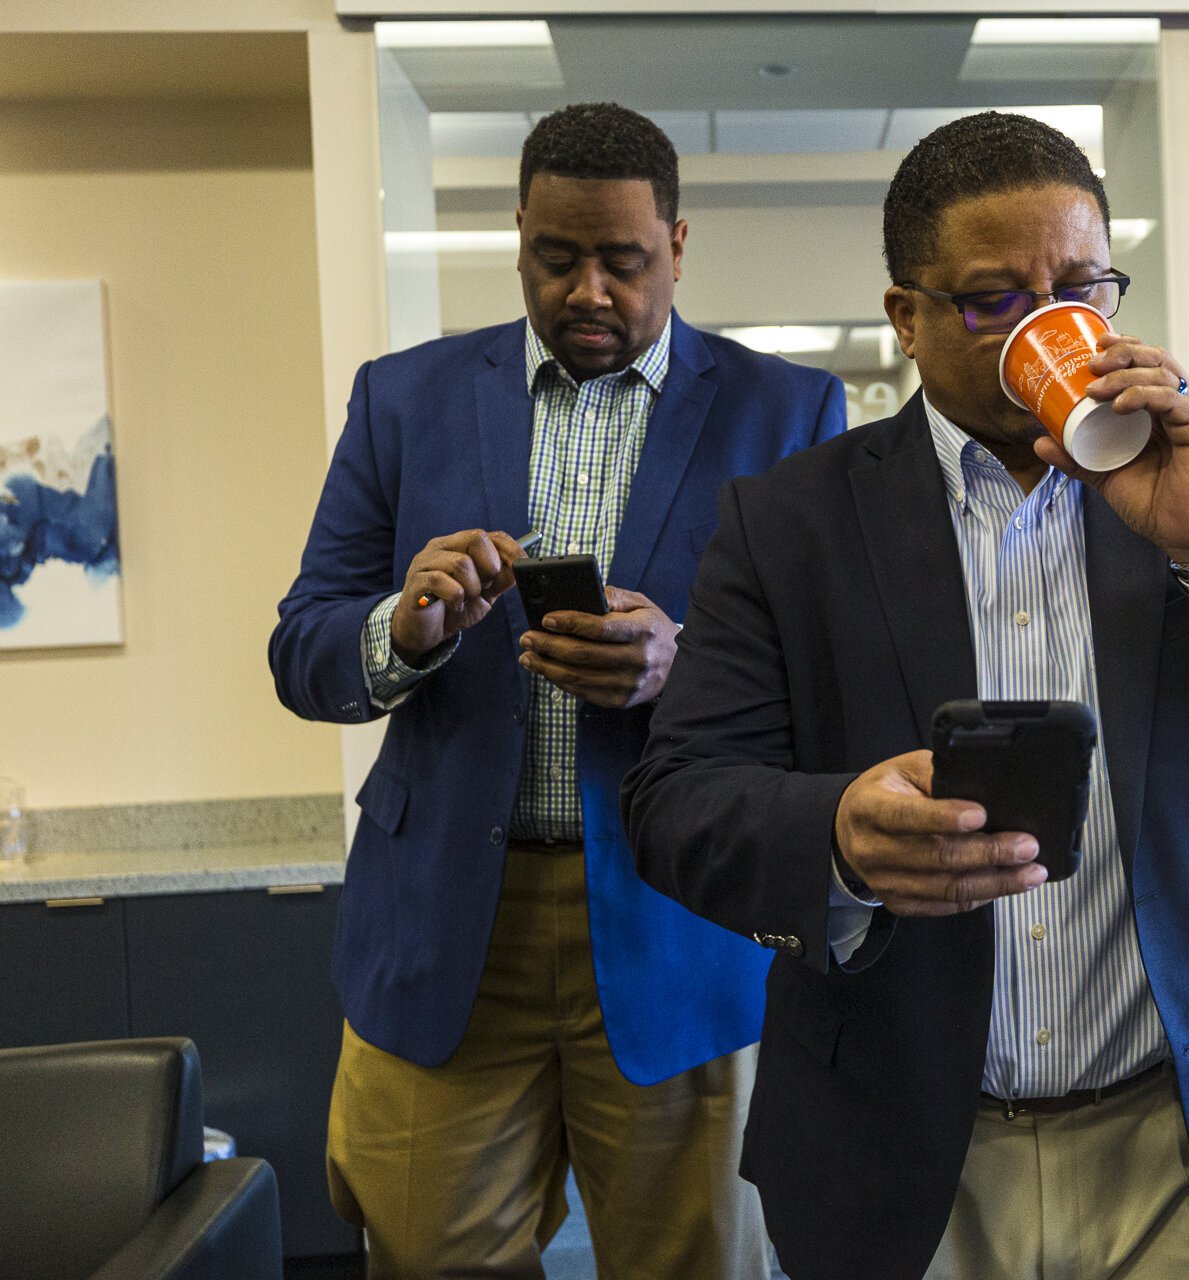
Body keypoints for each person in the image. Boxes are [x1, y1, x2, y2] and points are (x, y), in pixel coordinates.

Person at [621, 111, 1189, 1280]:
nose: (1047, 325)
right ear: (905, 319)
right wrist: (835, 837)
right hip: (906, 1150)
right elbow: (675, 800)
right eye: (990, 299)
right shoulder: (787, 522)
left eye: (1082, 286)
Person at [270, 102, 846, 1279]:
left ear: (677, 247)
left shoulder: (788, 414)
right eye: (556, 257)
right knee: (428, 1253)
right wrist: (402, 624)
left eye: (623, 261)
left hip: (678, 919)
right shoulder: (403, 397)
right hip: (443, 927)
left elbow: (835, 688)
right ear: (517, 233)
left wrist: (681, 671)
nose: (590, 290)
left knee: (696, 1258)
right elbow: (302, 647)